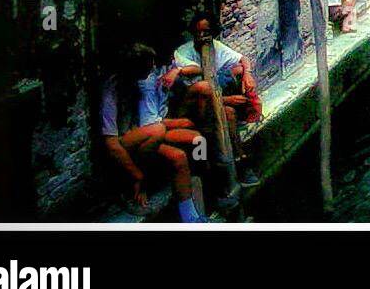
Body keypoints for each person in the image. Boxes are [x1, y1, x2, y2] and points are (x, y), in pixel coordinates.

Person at [102, 43, 208, 222]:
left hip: (146, 132)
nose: (151, 70)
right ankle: (138, 181)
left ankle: (192, 217)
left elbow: (197, 70)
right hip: (129, 139)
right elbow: (112, 143)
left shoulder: (153, 74)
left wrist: (178, 72)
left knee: (181, 156)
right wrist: (138, 175)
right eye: (147, 68)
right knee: (175, 133)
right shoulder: (116, 90)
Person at [162, 13, 260, 187]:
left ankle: (238, 161)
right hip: (190, 108)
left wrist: (248, 74)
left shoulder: (215, 46)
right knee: (208, 124)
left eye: (206, 32)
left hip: (210, 105)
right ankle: (209, 174)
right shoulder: (182, 53)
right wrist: (226, 100)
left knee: (229, 112)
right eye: (198, 33)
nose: (201, 37)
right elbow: (200, 88)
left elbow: (241, 59)